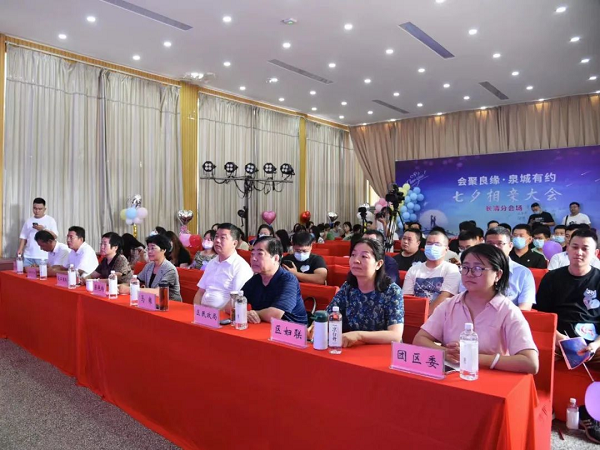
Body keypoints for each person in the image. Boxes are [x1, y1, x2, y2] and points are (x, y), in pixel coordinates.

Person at [413, 244, 539, 374]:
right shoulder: (449, 305)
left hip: (491, 378)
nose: (469, 274)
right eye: (465, 268)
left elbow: (531, 363)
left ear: (498, 274)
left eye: (478, 268)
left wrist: (472, 357)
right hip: (453, 376)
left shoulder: (508, 311)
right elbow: (419, 339)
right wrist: (446, 352)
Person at [535, 228, 600, 443]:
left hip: (593, 343)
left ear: (595, 253)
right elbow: (542, 316)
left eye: (585, 248)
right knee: (530, 355)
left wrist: (596, 344)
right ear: (567, 249)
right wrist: (556, 337)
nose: (579, 252)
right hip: (557, 340)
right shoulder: (552, 278)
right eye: (574, 247)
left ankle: (592, 414)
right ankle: (540, 406)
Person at [308, 238, 404, 347]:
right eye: (353, 255)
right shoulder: (348, 287)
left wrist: (358, 335)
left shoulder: (392, 291)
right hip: (354, 348)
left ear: (378, 264)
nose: (356, 260)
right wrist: (317, 325)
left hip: (382, 350)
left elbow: (395, 335)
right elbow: (330, 312)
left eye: (364, 256)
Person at [243, 237, 308, 325]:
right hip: (264, 326)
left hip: (290, 329)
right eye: (252, 254)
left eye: (260, 254)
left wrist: (250, 314)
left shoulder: (288, 280)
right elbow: (231, 304)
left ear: (276, 258)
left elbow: (275, 314)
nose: (253, 258)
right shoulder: (255, 279)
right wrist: (244, 313)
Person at [193, 223, 254, 310]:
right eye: (216, 236)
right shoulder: (212, 262)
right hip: (203, 313)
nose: (217, 240)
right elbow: (200, 292)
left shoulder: (241, 267)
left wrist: (215, 315)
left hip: (223, 315)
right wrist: (197, 310)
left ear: (234, 243)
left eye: (223, 237)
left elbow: (235, 300)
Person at [402, 231, 461, 315]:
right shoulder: (413, 269)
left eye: (437, 244)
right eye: (429, 243)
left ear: (446, 249)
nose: (433, 247)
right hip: (416, 314)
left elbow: (446, 296)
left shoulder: (451, 269)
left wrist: (425, 316)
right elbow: (407, 297)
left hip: (441, 316)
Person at [483, 227, 535, 310]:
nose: (495, 248)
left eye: (500, 243)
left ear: (510, 246)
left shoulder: (523, 273)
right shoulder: (472, 270)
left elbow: (525, 307)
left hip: (510, 316)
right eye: (490, 244)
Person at [119, 234, 181, 301]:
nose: (149, 251)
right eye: (148, 249)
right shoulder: (149, 266)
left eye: (153, 248)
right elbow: (137, 281)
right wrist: (120, 286)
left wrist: (130, 289)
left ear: (163, 250)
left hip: (169, 303)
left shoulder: (170, 269)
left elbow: (159, 292)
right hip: (151, 301)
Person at [17, 198, 59, 267]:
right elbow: (23, 236)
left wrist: (43, 229)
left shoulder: (50, 220)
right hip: (28, 256)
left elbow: (55, 236)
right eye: (35, 208)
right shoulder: (29, 221)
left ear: (44, 209)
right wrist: (20, 249)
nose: (37, 211)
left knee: (42, 273)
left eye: (40, 209)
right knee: (24, 273)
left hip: (43, 256)